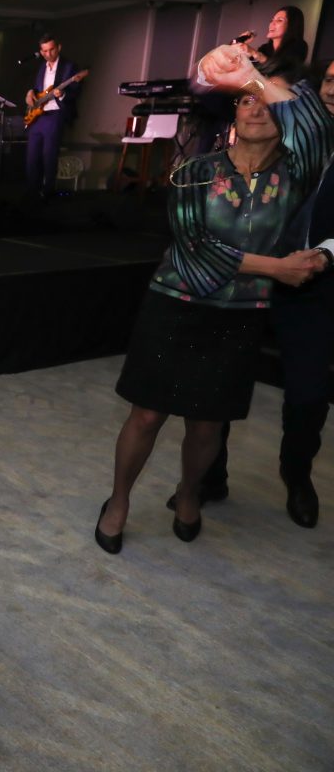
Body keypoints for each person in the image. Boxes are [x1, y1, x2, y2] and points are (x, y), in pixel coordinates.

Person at [94, 43, 334, 554]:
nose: (256, 108)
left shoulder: (297, 175)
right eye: (245, 101)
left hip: (239, 315)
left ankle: (189, 492)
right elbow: (196, 249)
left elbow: (315, 127)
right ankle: (118, 500)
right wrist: (278, 268)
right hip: (174, 306)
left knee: (207, 423)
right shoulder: (194, 171)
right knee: (147, 415)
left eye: (268, 102)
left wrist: (252, 77)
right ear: (233, 114)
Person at [184, 57, 334, 530]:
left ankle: (297, 475)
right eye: (331, 80)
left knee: (309, 394)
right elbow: (204, 87)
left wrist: (324, 255)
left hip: (312, 282)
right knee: (219, 382)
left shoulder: (309, 139)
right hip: (245, 275)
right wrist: (219, 66)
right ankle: (210, 475)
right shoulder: (274, 127)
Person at [24, 33, 79, 199]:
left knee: (49, 155)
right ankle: (32, 193)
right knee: (32, 156)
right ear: (41, 52)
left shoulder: (69, 67)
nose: (49, 54)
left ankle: (47, 192)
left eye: (52, 49)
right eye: (45, 51)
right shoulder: (42, 67)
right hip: (38, 116)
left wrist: (62, 95)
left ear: (59, 47)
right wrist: (30, 92)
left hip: (55, 114)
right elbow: (37, 88)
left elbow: (76, 91)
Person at [241, 6, 309, 72]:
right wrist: (242, 44)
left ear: (291, 25)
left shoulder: (299, 46)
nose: (272, 24)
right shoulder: (264, 48)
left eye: (279, 20)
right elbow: (249, 68)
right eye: (272, 20)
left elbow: (282, 70)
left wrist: (255, 53)